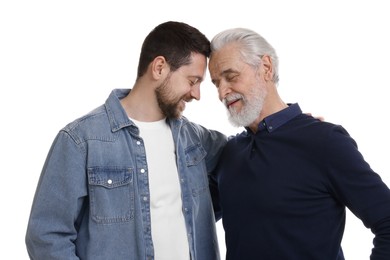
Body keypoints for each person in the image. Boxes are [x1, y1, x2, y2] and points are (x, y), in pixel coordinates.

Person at [25, 21, 227, 260]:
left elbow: (241, 160)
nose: (197, 94)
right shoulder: (81, 140)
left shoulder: (195, 139)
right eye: (192, 81)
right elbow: (46, 236)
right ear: (159, 67)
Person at [208, 27, 390, 259]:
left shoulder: (324, 141)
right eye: (216, 83)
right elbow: (185, 217)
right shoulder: (229, 153)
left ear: (265, 67)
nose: (223, 92)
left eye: (231, 77)